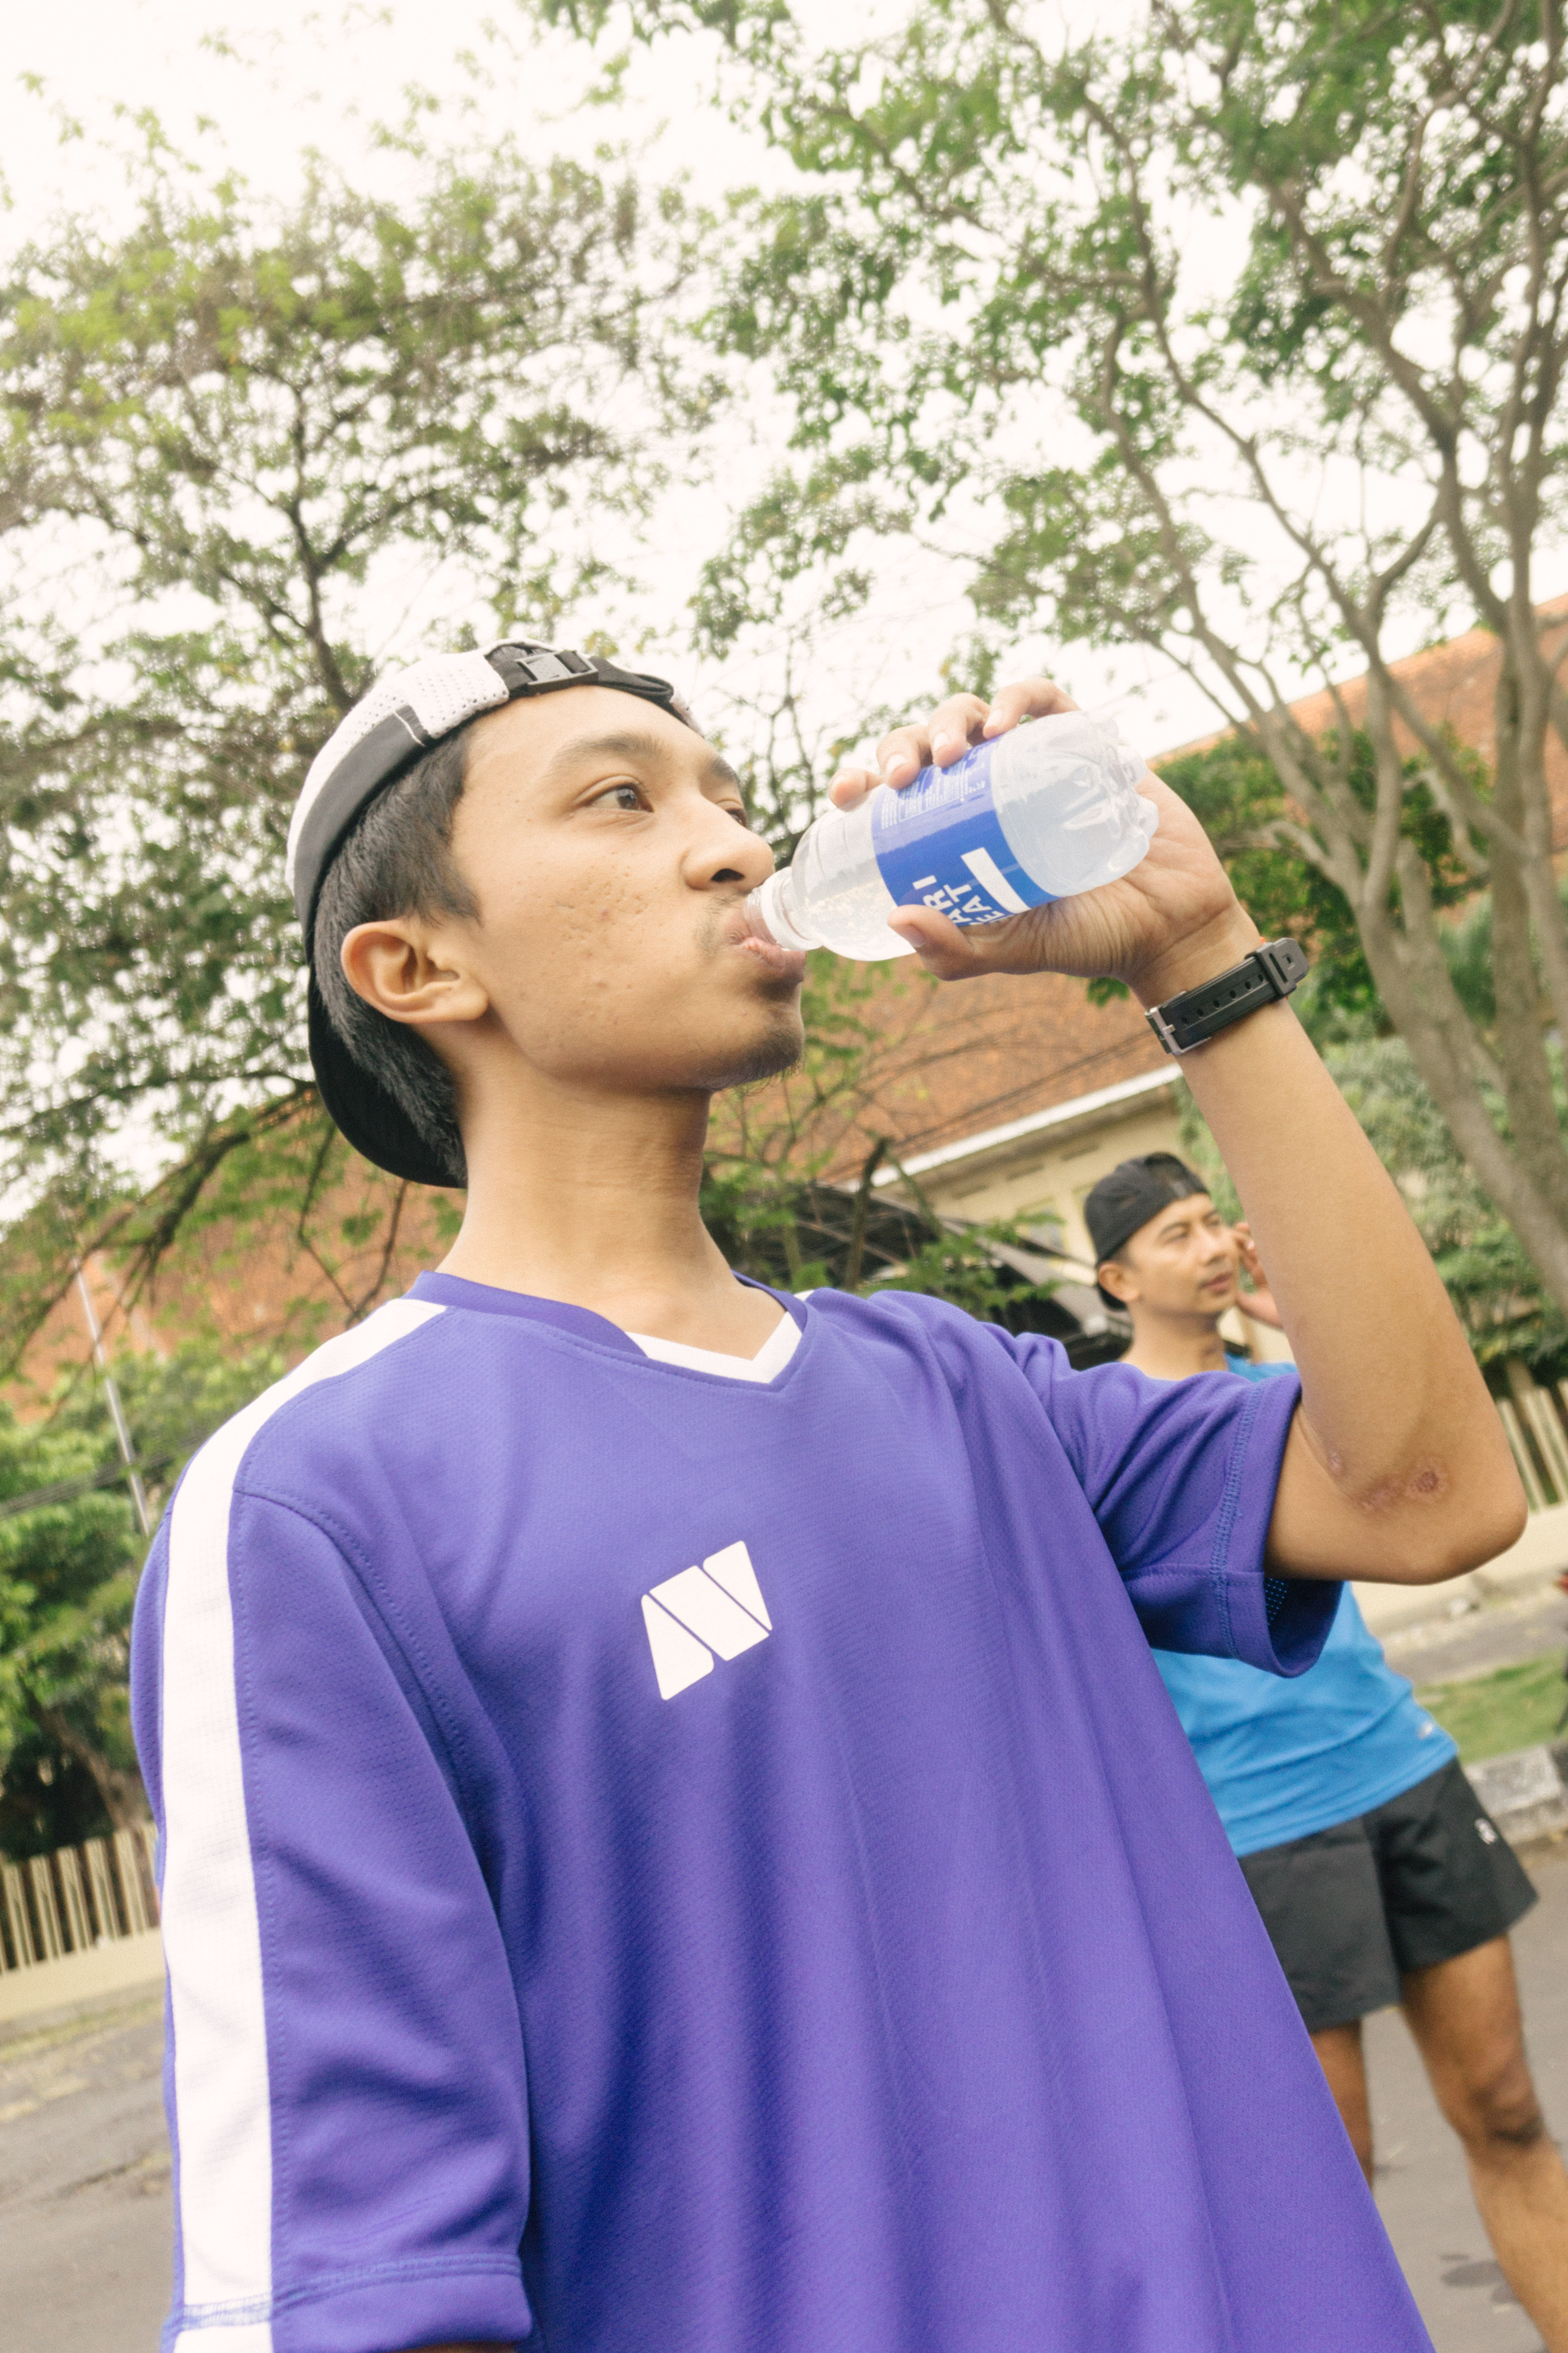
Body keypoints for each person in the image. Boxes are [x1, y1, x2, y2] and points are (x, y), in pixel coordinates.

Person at [131, 641, 1527, 2353]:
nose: (732, 844)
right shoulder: (314, 1505)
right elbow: (355, 2294)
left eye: (727, 796)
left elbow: (1429, 1495)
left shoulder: (958, 1387)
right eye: (621, 799)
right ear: (415, 963)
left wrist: (1198, 957)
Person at [1089, 1151, 1568, 2351]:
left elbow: (1429, 1447)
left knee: (1508, 2110)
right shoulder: (1108, 1441)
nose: (1211, 1246)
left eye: (1215, 1222)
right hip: (1263, 1826)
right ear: (1115, 1279)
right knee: (1332, 2179)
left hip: (1400, 1768)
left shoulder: (1289, 1394)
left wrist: (1296, 1318)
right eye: (1175, 1234)